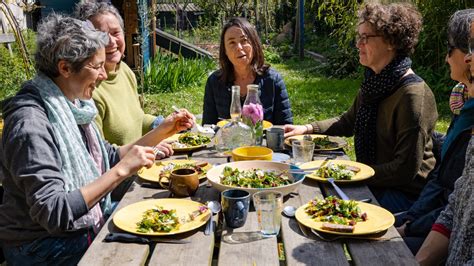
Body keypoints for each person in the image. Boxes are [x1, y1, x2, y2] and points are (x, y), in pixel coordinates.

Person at [0, 14, 193, 265]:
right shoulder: (31, 125)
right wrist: (121, 171)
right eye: (97, 66)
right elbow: (55, 212)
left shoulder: (74, 106)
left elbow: (109, 157)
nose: (104, 75)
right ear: (65, 68)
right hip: (41, 247)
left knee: (167, 224)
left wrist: (163, 131)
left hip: (78, 229)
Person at [284, 3, 438, 213]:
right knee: (308, 193)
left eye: (366, 38)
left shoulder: (412, 97)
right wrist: (307, 128)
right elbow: (348, 122)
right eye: (359, 37)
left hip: (406, 196)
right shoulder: (376, 81)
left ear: (391, 41)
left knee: (324, 207)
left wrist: (353, 173)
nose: (359, 44)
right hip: (375, 181)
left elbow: (403, 170)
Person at [395, 9, 474, 255]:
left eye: (451, 49)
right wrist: (410, 220)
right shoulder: (463, 103)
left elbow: (453, 198)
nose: (446, 58)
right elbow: (447, 183)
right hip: (430, 216)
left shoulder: (414, 92)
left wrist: (409, 226)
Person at [74, 2, 171, 154]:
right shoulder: (87, 90)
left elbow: (137, 121)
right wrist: (147, 148)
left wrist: (166, 123)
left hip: (140, 164)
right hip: (120, 173)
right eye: (101, 35)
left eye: (115, 33)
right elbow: (99, 154)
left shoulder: (125, 71)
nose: (111, 42)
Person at [202, 17, 293, 126]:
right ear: (225, 50)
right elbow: (208, 127)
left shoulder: (272, 80)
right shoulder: (214, 82)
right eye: (232, 42)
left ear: (254, 44)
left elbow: (286, 127)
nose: (239, 47)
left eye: (244, 40)